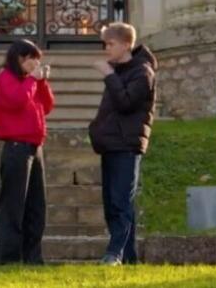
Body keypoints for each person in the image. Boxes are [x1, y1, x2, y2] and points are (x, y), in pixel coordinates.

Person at [88, 22, 157, 266]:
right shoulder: (119, 71)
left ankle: (114, 253)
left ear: (126, 44)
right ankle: (129, 257)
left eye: (111, 44)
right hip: (112, 145)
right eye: (106, 44)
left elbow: (127, 103)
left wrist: (108, 76)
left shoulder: (142, 72)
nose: (107, 48)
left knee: (120, 201)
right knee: (112, 203)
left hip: (127, 146)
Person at [0, 39, 55, 265]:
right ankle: (8, 258)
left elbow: (46, 106)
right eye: (33, 59)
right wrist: (32, 80)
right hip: (16, 147)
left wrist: (42, 82)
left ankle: (33, 257)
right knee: (13, 205)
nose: (37, 63)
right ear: (20, 58)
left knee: (36, 206)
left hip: (34, 147)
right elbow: (17, 101)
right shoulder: (5, 79)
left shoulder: (30, 82)